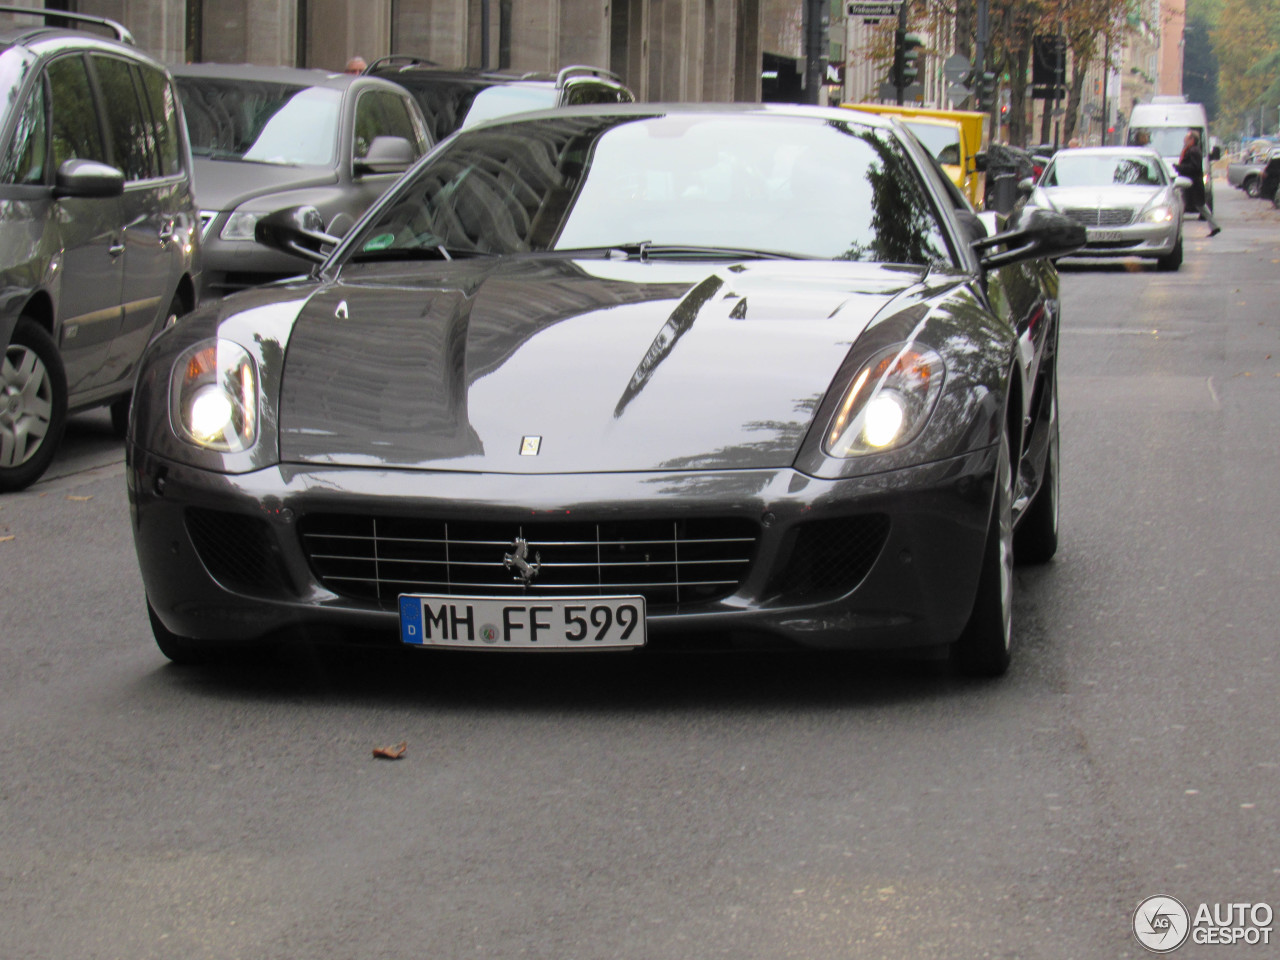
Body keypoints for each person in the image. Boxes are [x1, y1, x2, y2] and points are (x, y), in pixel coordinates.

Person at [1176, 130, 1220, 237]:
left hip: (1194, 184)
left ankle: (1214, 226)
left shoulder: (1193, 151)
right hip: (1191, 183)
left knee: (1199, 206)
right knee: (1195, 206)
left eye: (1186, 138)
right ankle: (1214, 227)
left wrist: (1180, 168)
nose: (1184, 140)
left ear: (1192, 139)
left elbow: (1194, 168)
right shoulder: (1190, 150)